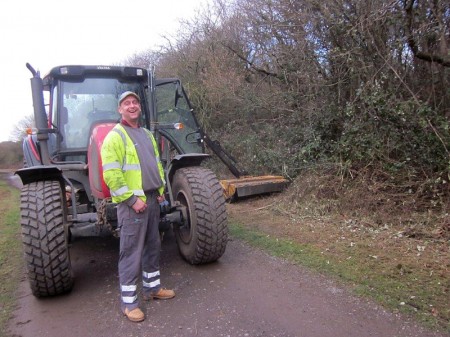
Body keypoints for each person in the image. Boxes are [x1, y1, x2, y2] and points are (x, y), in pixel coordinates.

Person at [101, 91, 175, 322]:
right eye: (126, 103)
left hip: (152, 199)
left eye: (135, 102)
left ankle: (153, 289)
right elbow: (112, 175)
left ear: (139, 107)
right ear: (120, 109)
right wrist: (132, 200)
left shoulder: (146, 134)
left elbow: (156, 165)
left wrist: (161, 191)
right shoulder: (115, 136)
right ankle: (129, 303)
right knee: (131, 252)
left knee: (153, 245)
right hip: (133, 204)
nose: (132, 106)